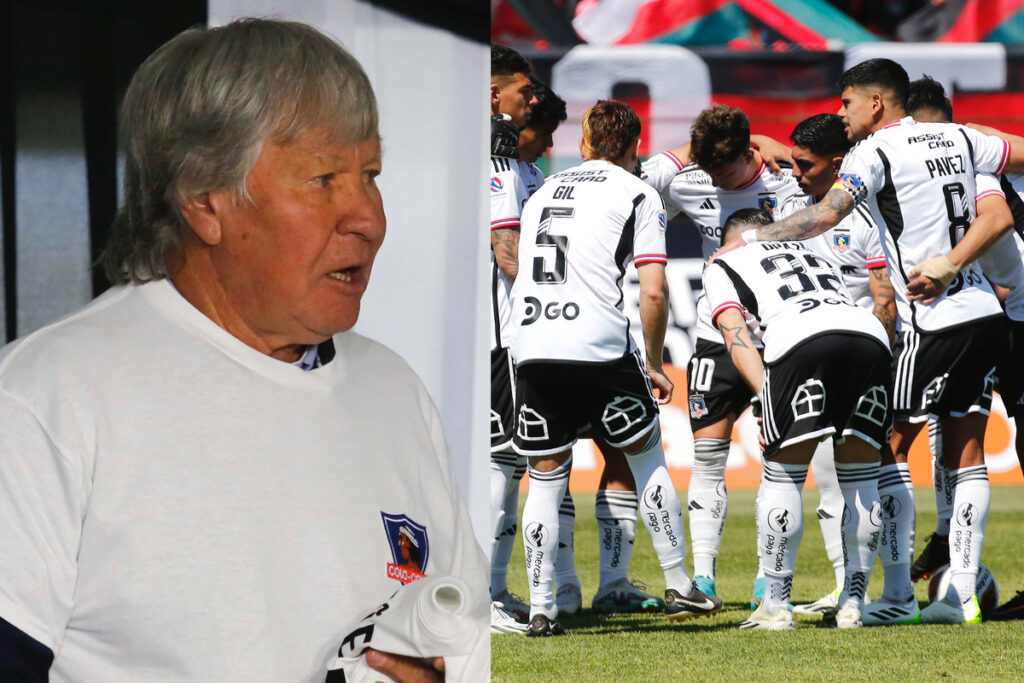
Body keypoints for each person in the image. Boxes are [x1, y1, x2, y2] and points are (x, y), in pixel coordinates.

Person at [0, 19, 487, 682]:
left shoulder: (393, 388)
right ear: (205, 198)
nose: (368, 217)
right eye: (324, 179)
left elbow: (462, 644)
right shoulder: (47, 397)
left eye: (369, 173)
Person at [714, 57, 1023, 625]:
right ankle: (959, 594)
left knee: (885, 449)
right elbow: (1013, 170)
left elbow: (827, 215)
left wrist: (754, 237)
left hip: (927, 317)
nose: (842, 112)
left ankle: (897, 595)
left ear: (875, 103)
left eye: (847, 102)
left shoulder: (871, 154)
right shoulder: (959, 135)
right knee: (968, 455)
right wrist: (957, 260)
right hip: (984, 311)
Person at [510, 99, 722, 637]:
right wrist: (652, 362)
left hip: (531, 340)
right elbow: (653, 289)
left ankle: (541, 608)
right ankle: (678, 582)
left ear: (583, 144)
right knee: (646, 454)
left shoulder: (539, 193)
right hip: (598, 343)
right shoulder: (637, 191)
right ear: (633, 148)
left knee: (544, 478)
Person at [641, 104, 802, 604]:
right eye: (705, 167)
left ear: (747, 153)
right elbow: (630, 179)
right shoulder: (688, 179)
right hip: (717, 331)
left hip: (779, 331)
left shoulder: (785, 184)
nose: (713, 179)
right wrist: (693, 152)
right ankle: (703, 581)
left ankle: (769, 580)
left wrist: (771, 142)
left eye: (723, 169)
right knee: (708, 455)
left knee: (781, 459)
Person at [707, 208, 891, 631]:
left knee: (783, 477)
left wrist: (764, 393)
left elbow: (734, 333)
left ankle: (776, 606)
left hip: (799, 340)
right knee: (862, 478)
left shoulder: (723, 260)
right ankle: (852, 603)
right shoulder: (811, 248)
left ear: (731, 237)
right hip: (868, 336)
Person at [905, 76, 1024, 621]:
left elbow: (998, 227)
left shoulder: (971, 169)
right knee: (948, 424)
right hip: (1002, 318)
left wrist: (951, 268)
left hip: (1007, 318)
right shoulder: (976, 158)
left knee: (935, 427)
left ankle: (927, 556)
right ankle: (944, 534)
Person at [781, 113, 897, 616]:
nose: (795, 173)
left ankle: (888, 591)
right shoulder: (790, 208)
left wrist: (884, 366)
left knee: (873, 473)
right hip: (810, 355)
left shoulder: (864, 218)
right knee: (828, 480)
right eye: (791, 162)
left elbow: (884, 299)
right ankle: (846, 589)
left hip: (862, 356)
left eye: (805, 165)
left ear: (836, 164)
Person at [488, 44, 542, 634]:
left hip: (489, 332)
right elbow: (507, 255)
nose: (531, 99)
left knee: (505, 463)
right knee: (503, 463)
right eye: (523, 90)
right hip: (501, 333)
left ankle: (491, 590)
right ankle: (488, 593)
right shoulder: (500, 168)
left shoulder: (513, 166)